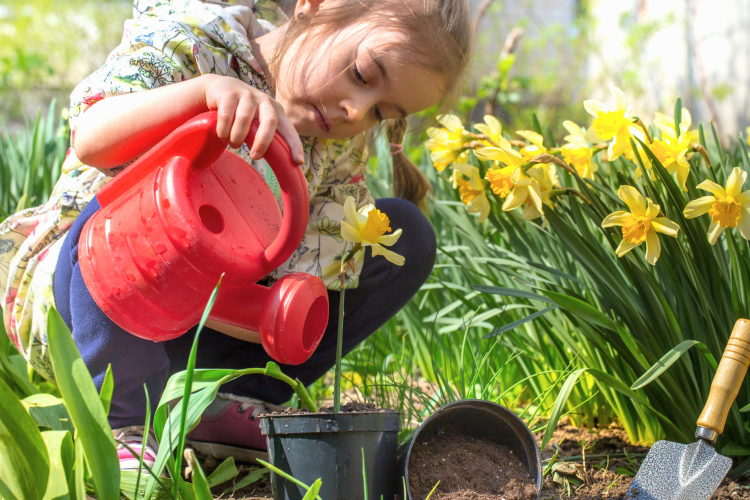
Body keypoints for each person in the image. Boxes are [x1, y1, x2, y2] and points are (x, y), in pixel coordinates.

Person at [0, 0, 473, 470]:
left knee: (404, 236)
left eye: (380, 113)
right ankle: (127, 424)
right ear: (314, 6)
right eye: (363, 75)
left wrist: (281, 314)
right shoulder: (195, 41)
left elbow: (296, 281)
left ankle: (223, 400)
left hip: (200, 308)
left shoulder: (335, 147)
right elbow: (91, 135)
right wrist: (203, 93)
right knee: (139, 229)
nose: (355, 110)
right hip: (85, 284)